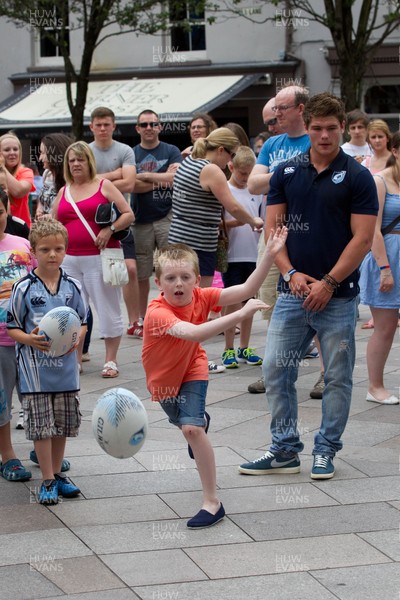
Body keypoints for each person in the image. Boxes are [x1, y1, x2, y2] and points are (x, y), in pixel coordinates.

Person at [239, 92, 378, 480]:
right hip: (293, 292)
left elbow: (362, 239)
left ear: (342, 129)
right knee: (274, 369)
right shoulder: (286, 172)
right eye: (317, 128)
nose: (324, 136)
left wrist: (330, 283)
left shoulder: (357, 176)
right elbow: (273, 231)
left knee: (336, 375)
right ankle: (284, 449)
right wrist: (290, 274)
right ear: (307, 126)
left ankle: (326, 449)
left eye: (332, 129)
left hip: (338, 295)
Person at [142, 229, 287, 527]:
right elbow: (193, 333)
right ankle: (199, 423)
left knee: (191, 430)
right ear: (159, 283)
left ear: (197, 279)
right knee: (186, 424)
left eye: (185, 277)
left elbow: (247, 288)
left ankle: (212, 502)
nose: (179, 283)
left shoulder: (202, 296)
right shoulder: (157, 312)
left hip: (193, 368)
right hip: (164, 383)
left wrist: (270, 254)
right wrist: (239, 315)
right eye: (170, 278)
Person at [168, 127, 264, 372]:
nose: (229, 162)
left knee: (179, 301)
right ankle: (193, 358)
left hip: (177, 240)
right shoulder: (210, 169)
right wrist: (253, 220)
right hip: (199, 244)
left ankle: (180, 356)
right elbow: (231, 204)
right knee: (197, 303)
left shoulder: (188, 161)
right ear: (220, 150)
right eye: (230, 155)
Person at [7, 219, 87, 504]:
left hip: (66, 371)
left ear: (65, 250)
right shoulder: (23, 287)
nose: (52, 254)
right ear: (33, 252)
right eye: (45, 249)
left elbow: (84, 321)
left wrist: (76, 339)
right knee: (42, 426)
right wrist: (29, 339)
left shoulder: (73, 286)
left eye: (58, 249)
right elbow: (12, 326)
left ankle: (57, 472)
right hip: (35, 372)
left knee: (62, 424)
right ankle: (47, 480)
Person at [247, 85, 313, 394]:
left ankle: (325, 373)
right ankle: (273, 370)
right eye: (274, 110)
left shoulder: (316, 139)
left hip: (312, 232)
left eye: (282, 109)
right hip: (274, 235)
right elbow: (253, 184)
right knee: (271, 303)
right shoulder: (273, 144)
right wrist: (289, 171)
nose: (276, 115)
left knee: (321, 303)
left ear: (301, 108)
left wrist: (279, 175)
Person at [53, 141, 134, 378]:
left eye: (80, 159)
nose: (76, 164)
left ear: (89, 161)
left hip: (99, 257)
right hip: (69, 260)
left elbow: (129, 214)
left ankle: (111, 360)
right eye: (71, 160)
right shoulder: (64, 190)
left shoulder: (104, 185)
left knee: (107, 307)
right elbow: (54, 221)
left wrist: (109, 229)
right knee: (71, 310)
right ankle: (75, 360)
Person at [89, 106, 141, 338]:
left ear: (113, 126)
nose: (102, 128)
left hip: (120, 219)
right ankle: (99, 324)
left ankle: (134, 321)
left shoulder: (125, 150)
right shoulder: (86, 151)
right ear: (91, 127)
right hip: (90, 221)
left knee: (129, 269)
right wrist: (115, 174)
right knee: (98, 276)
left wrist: (98, 181)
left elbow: (129, 183)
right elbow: (80, 182)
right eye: (98, 124)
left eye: (106, 124)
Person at [131, 109, 183, 333]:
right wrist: (161, 178)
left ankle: (172, 313)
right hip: (139, 219)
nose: (149, 128)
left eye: (153, 124)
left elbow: (175, 179)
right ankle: (143, 319)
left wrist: (143, 176)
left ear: (160, 127)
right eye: (144, 125)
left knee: (171, 268)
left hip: (166, 216)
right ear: (137, 129)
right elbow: (131, 184)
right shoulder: (130, 153)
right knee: (142, 273)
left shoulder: (171, 150)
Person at [359, 131, 400, 405]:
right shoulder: (380, 181)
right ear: (395, 150)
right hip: (388, 256)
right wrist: (384, 268)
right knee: (385, 328)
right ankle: (375, 386)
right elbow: (372, 230)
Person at [0, 185, 33, 484]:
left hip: (27, 339)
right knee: (1, 399)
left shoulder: (22, 244)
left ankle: (42, 445)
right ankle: (7, 454)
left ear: (7, 210)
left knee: (34, 394)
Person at [220, 146, 264, 368]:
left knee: (250, 302)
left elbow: (262, 218)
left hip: (253, 254)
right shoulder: (224, 190)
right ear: (231, 167)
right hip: (233, 254)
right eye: (242, 173)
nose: (246, 178)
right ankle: (228, 348)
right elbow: (216, 224)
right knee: (233, 302)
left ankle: (244, 346)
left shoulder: (256, 190)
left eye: (249, 173)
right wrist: (237, 221)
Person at [360, 120, 392, 330]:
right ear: (369, 140)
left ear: (387, 138)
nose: (378, 140)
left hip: (389, 218)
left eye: (381, 136)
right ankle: (378, 312)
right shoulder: (366, 163)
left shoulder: (394, 160)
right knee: (371, 266)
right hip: (369, 218)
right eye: (374, 137)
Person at [0, 133, 35, 227]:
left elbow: (19, 191)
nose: (12, 153)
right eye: (7, 150)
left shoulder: (26, 172)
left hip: (20, 229)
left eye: (15, 149)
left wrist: (2, 166)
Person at [36, 133, 73, 219]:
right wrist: (40, 208)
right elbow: (44, 196)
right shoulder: (47, 173)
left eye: (43, 153)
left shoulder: (71, 179)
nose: (40, 158)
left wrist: (52, 216)